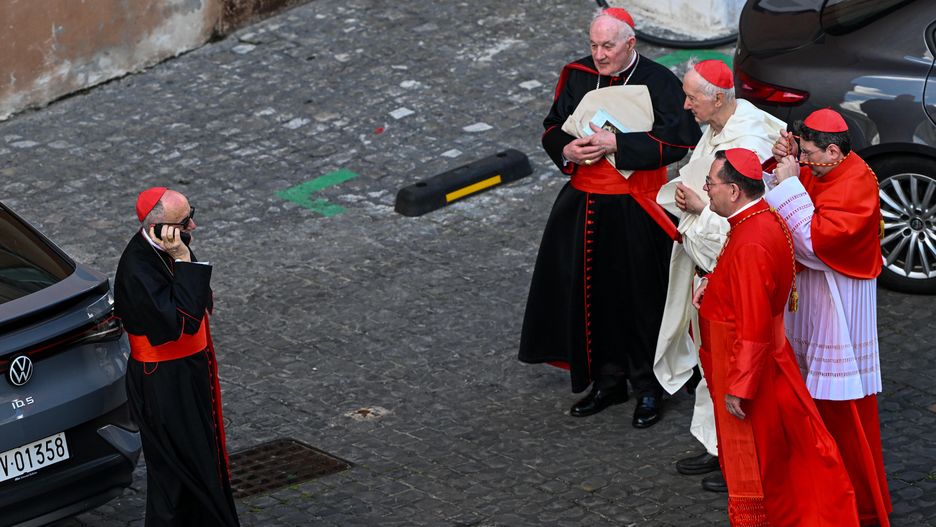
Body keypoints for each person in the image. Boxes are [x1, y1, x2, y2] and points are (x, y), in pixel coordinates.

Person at [518, 7, 701, 427]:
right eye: (594, 45)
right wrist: (566, 150)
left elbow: (678, 142)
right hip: (585, 206)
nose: (599, 55)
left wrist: (619, 145)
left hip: (639, 207)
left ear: (630, 44)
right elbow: (553, 126)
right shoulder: (579, 76)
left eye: (608, 46)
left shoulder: (658, 81)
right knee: (592, 295)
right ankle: (607, 380)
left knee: (643, 298)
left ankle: (649, 387)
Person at [694, 148, 859, 526]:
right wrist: (713, 282)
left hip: (750, 371)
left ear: (733, 191)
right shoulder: (761, 218)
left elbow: (753, 324)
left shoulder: (751, 240)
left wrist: (739, 387)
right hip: (762, 362)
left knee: (762, 466)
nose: (706, 189)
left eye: (710, 183)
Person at [654, 59, 785, 491]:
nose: (685, 105)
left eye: (692, 97)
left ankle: (740, 460)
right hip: (709, 270)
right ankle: (718, 446)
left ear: (718, 98)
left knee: (733, 368)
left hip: (731, 271)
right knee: (712, 365)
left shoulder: (746, 140)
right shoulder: (719, 123)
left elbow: (750, 216)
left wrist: (699, 208)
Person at [767, 108, 892, 527]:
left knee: (841, 406)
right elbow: (796, 199)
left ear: (834, 151)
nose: (803, 161)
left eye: (807, 153)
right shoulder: (824, 168)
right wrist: (784, 165)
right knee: (809, 396)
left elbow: (815, 243)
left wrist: (788, 183)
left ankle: (857, 504)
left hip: (840, 305)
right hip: (815, 298)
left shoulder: (856, 183)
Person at [114, 187, 241, 527]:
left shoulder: (168, 245)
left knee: (200, 458)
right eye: (185, 222)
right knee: (178, 470)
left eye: (190, 215)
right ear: (160, 227)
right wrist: (184, 259)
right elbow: (184, 321)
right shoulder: (139, 268)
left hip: (185, 372)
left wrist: (182, 256)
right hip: (165, 380)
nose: (193, 227)